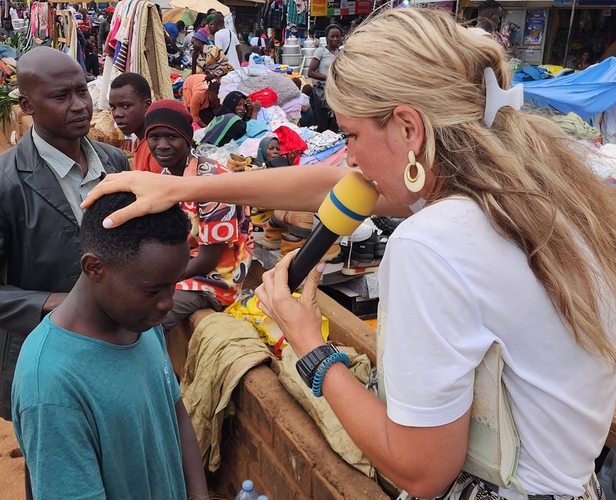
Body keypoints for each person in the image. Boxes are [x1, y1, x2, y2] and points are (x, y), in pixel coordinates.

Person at [85, 8, 616, 500]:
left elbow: (421, 469)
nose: (350, 156)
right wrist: (183, 190)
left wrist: (308, 343)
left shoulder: (432, 242)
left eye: (352, 135)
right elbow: (337, 183)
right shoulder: (545, 190)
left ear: (409, 127)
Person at [0, 47, 130, 497]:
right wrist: (62, 305)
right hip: (47, 360)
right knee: (58, 477)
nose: (81, 105)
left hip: (122, 348)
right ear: (27, 106)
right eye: (61, 96)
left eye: (83, 91)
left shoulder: (115, 163)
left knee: (122, 464)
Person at [11, 191, 209, 499]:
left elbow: (176, 415)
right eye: (154, 289)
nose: (168, 303)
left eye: (174, 283)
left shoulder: (141, 324)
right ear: (94, 268)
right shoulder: (50, 386)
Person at [141, 100, 252, 332]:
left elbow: (209, 259)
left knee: (146, 319)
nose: (161, 145)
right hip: (185, 263)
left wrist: (158, 281)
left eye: (171, 137)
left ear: (187, 139)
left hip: (214, 279)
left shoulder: (211, 183)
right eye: (154, 137)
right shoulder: (167, 175)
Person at [108, 73, 155, 170]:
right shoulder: (138, 141)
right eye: (113, 107)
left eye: (126, 106)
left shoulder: (156, 150)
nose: (117, 114)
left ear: (147, 105)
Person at [308, 24, 341, 133]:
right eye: (332, 36)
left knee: (335, 125)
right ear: (327, 37)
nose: (335, 39)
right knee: (323, 125)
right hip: (322, 93)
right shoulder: (321, 51)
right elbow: (310, 72)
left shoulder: (341, 53)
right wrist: (328, 78)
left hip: (336, 93)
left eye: (337, 36)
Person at [212, 13, 244, 79]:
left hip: (227, 70)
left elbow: (218, 55)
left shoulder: (218, 35)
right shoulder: (232, 33)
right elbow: (240, 51)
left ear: (215, 23)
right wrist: (238, 65)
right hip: (237, 70)